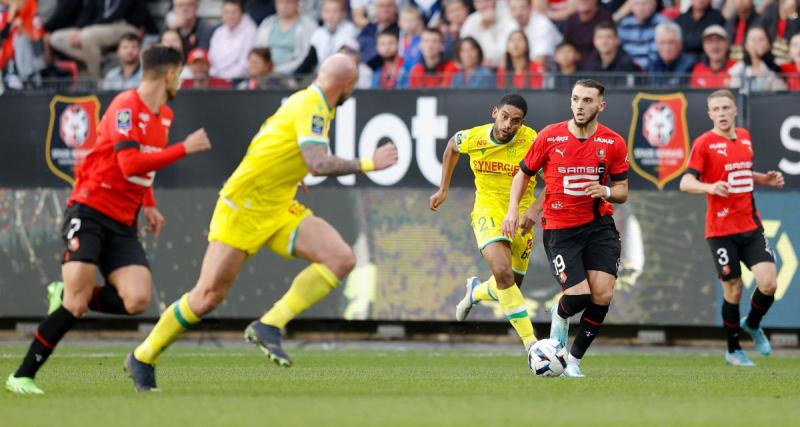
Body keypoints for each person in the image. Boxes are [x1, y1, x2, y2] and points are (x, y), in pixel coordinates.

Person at [125, 54, 399, 392]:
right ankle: (143, 356)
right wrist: (370, 162)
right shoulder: (312, 105)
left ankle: (269, 324)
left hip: (278, 204)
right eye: (353, 86)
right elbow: (317, 163)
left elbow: (269, 140)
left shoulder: (310, 103)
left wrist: (290, 173)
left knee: (341, 258)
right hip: (243, 207)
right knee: (207, 296)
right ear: (347, 85)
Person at [4, 45, 212, 395]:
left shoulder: (165, 116)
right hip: (89, 210)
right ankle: (22, 376)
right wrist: (183, 149)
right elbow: (130, 162)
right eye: (180, 75)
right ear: (170, 74)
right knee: (75, 304)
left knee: (137, 299)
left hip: (123, 221)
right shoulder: (125, 106)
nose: (182, 81)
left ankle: (67, 291)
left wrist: (149, 203)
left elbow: (141, 169)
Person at [505, 79, 629, 378]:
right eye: (575, 99)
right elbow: (523, 175)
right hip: (561, 230)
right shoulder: (550, 136)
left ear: (601, 105)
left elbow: (622, 189)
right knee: (578, 298)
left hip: (599, 226)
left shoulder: (613, 142)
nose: (579, 106)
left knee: (602, 295)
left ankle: (572, 361)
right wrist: (514, 209)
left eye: (587, 100)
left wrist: (607, 192)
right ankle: (559, 315)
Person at [679, 89, 785, 367]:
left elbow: (740, 172)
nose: (722, 113)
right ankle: (733, 350)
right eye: (717, 109)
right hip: (720, 230)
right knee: (734, 289)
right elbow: (685, 182)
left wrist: (763, 178)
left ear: (734, 110)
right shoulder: (704, 144)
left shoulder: (745, 138)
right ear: (710, 114)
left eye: (726, 107)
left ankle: (752, 322)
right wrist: (709, 186)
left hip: (750, 224)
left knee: (769, 283)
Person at [429, 94, 540, 351]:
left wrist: (535, 208)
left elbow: (555, 176)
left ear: (522, 123)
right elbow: (451, 147)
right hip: (487, 209)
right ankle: (531, 344)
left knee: (510, 284)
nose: (507, 125)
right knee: (502, 272)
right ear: (494, 113)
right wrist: (443, 189)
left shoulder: (532, 141)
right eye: (504, 117)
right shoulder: (474, 137)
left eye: (516, 121)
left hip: (522, 216)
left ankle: (477, 292)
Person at [48, 0, 139, 79]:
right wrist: (78, 29)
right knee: (56, 38)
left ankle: (98, 80)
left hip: (124, 26)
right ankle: (98, 58)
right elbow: (87, 11)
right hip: (96, 28)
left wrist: (86, 30)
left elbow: (115, 14)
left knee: (86, 36)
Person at [255, 0, 317, 76]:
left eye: (288, 2)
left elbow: (305, 57)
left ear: (297, 3)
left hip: (294, 76)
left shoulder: (308, 25)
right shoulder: (267, 23)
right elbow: (258, 51)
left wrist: (278, 70)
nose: (284, 6)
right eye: (280, 2)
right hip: (265, 73)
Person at [208, 0, 257, 80]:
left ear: (242, 14)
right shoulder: (219, 32)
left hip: (239, 81)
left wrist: (223, 78)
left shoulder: (251, 31)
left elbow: (245, 65)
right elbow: (211, 59)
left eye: (234, 12)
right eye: (226, 12)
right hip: (216, 79)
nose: (230, 16)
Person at [729, 25, 788, 91]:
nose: (756, 43)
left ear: (769, 45)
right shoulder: (739, 69)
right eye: (752, 39)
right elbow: (735, 92)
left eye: (761, 39)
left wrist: (756, 59)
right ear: (746, 45)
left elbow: (780, 93)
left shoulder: (777, 68)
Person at [459, 0, 514, 67]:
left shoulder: (508, 17)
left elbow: (507, 50)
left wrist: (487, 28)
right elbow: (463, 49)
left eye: (486, 1)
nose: (483, 6)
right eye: (478, 2)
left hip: (504, 68)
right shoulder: (471, 20)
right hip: (477, 68)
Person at [563, 0, 614, 70]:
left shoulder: (605, 17)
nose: (583, 1)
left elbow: (606, 43)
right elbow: (566, 43)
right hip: (575, 62)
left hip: (597, 63)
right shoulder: (572, 19)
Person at [618, 0, 668, 70]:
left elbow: (660, 52)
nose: (641, 8)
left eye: (644, 3)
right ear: (630, 6)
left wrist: (640, 65)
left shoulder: (663, 23)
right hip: (628, 69)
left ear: (654, 5)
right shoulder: (625, 24)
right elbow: (620, 50)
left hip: (653, 69)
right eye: (637, 4)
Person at [647, 22, 696, 86]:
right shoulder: (652, 63)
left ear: (680, 44)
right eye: (662, 43)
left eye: (671, 42)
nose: (667, 48)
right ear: (657, 45)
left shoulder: (689, 64)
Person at [310, 0, 358, 65]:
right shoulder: (318, 33)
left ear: (344, 13)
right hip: (322, 70)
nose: (331, 15)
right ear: (321, 13)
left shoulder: (349, 29)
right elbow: (311, 57)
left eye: (335, 11)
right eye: (327, 11)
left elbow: (348, 52)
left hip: (342, 68)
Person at [357, 0, 398, 69]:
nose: (385, 9)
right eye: (381, 6)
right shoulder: (369, 28)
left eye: (389, 6)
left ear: (395, 8)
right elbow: (358, 47)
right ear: (376, 8)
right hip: (366, 69)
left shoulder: (401, 29)